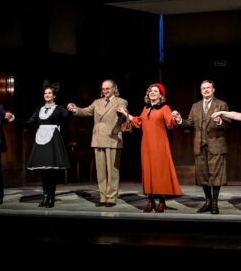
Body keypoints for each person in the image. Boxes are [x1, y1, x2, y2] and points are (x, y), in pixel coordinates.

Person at [117, 83, 181, 213]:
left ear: (160, 95)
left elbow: (170, 123)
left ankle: (162, 200)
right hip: (146, 145)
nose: (152, 93)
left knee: (160, 171)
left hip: (160, 145)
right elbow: (138, 122)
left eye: (155, 91)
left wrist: (175, 117)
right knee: (148, 171)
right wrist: (125, 113)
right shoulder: (146, 109)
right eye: (151, 91)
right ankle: (150, 200)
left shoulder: (165, 108)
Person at [67, 79, 128, 207]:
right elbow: (86, 111)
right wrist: (75, 109)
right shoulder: (97, 102)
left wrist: (123, 112)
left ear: (114, 89)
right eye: (103, 89)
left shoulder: (121, 101)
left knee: (112, 171)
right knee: (100, 171)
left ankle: (111, 197)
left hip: (113, 138)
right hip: (98, 138)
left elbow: (124, 113)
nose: (105, 91)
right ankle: (103, 196)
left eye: (108, 88)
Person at [172, 80, 229, 214]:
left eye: (209, 87)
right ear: (201, 90)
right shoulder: (195, 106)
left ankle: (214, 204)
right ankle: (208, 201)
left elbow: (228, 123)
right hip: (199, 145)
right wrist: (180, 120)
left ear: (213, 89)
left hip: (216, 145)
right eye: (203, 88)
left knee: (216, 176)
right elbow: (189, 123)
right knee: (203, 175)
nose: (206, 90)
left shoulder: (221, 104)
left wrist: (220, 121)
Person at [25, 81, 71, 208]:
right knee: (44, 170)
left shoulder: (59, 108)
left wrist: (71, 109)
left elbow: (67, 116)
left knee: (52, 170)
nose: (47, 95)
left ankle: (51, 197)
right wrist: (13, 118)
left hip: (53, 139)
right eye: (45, 93)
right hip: (40, 139)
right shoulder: (39, 109)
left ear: (54, 95)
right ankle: (45, 196)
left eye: (49, 93)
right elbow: (29, 122)